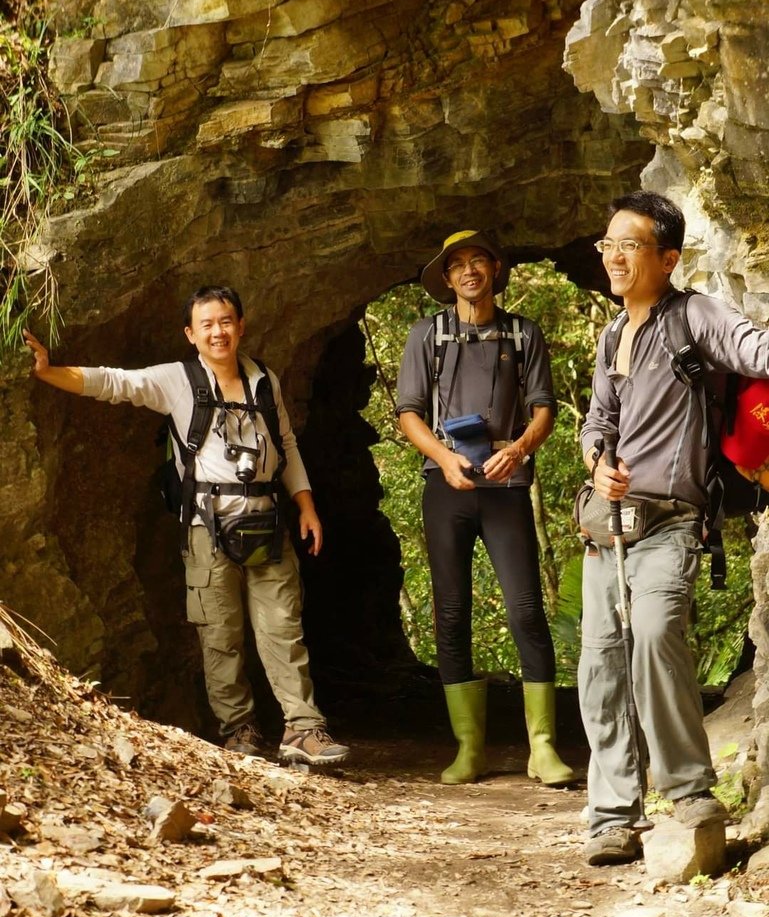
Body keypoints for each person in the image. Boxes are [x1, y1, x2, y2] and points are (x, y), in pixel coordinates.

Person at [24, 285, 349, 767]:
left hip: (265, 521)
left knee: (283, 626)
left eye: (226, 322)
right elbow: (114, 382)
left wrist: (306, 503)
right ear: (190, 334)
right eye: (207, 325)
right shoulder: (177, 380)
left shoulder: (265, 381)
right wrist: (50, 371)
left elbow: (286, 444)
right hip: (205, 526)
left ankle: (303, 729)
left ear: (240, 325)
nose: (218, 332)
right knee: (219, 633)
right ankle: (238, 731)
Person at [579, 190, 769, 865]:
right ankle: (610, 815)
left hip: (670, 521)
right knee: (600, 665)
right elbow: (597, 422)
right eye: (608, 245)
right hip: (607, 525)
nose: (613, 257)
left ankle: (690, 792)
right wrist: (597, 461)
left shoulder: (693, 316)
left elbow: (757, 351)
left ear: (666, 257)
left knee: (656, 637)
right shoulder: (612, 335)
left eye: (627, 245)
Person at [396, 229, 574, 786]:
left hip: (506, 484)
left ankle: (541, 749)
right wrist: (445, 461)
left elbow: (543, 408)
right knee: (450, 613)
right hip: (447, 485)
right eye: (457, 265)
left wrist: (518, 449)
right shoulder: (427, 335)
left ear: (495, 269)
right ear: (446, 278)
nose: (469, 272)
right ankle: (468, 747)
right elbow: (408, 412)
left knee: (525, 608)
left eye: (478, 261)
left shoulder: (522, 334)